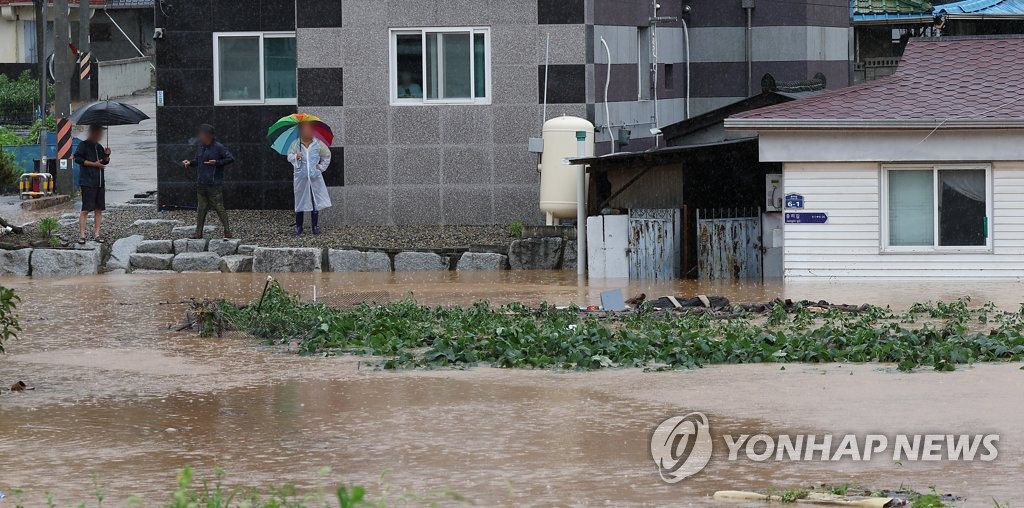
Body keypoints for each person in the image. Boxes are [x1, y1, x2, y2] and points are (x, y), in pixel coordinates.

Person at [181, 124, 234, 239]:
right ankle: (198, 233)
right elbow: (198, 160)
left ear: (208, 135)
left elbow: (230, 158)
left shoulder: (219, 147)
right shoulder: (200, 146)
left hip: (214, 184)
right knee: (201, 209)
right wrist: (189, 163)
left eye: (202, 134)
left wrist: (217, 162)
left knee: (219, 208)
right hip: (201, 183)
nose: (200, 136)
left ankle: (227, 232)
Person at [287, 122, 332, 235]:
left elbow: (327, 155)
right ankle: (299, 227)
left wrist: (321, 167)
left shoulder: (318, 144)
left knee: (314, 200)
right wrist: (295, 156)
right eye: (304, 129)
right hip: (300, 177)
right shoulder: (295, 144)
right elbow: (289, 156)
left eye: (309, 129)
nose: (307, 131)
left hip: (314, 177)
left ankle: (315, 226)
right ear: (301, 131)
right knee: (300, 201)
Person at [73, 125, 110, 244]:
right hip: (88, 182)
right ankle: (82, 235)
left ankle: (97, 234)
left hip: (100, 182)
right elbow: (78, 159)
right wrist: (94, 164)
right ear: (92, 132)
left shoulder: (99, 147)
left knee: (98, 209)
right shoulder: (83, 145)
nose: (99, 135)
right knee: (86, 209)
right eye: (98, 132)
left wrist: (107, 156)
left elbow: (103, 162)